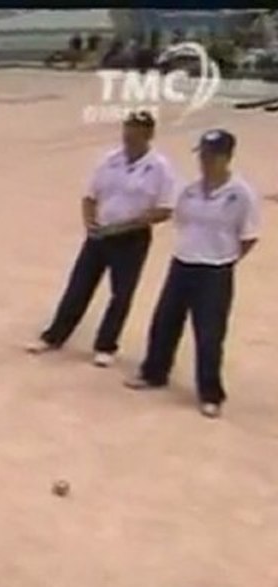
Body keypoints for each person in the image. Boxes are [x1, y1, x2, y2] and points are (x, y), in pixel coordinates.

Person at [125, 129, 262, 419]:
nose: (205, 162)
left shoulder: (240, 194)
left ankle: (210, 393)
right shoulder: (189, 190)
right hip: (183, 263)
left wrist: (225, 258)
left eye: (211, 157)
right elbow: (182, 222)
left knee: (209, 334)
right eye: (202, 156)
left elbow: (248, 236)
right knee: (165, 321)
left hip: (215, 270)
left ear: (226, 157)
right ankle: (154, 372)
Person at [27, 111, 176, 367]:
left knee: (121, 293)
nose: (129, 136)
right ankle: (54, 336)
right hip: (99, 233)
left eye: (136, 132)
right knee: (79, 286)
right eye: (127, 130)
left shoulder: (160, 168)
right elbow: (90, 195)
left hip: (131, 237)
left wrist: (127, 225)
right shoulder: (109, 160)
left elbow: (165, 209)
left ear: (149, 134)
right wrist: (89, 222)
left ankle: (106, 345)